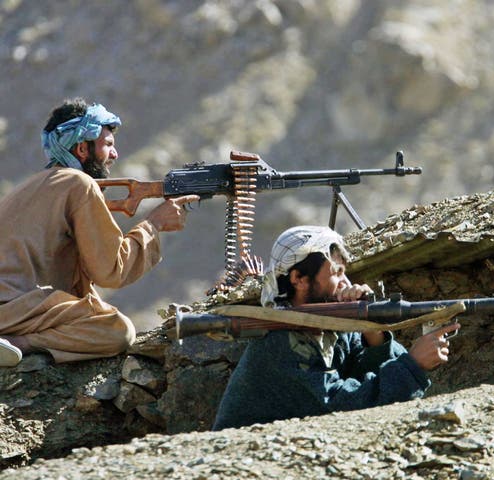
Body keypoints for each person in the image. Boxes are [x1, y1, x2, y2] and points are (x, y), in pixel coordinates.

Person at [0, 97, 199, 367]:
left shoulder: (32, 185)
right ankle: (16, 343)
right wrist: (154, 224)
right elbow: (110, 271)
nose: (115, 155)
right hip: (15, 309)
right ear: (83, 148)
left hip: (16, 306)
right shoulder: (79, 183)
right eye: (107, 145)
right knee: (117, 330)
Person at [212, 225, 460, 430]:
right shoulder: (279, 339)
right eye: (336, 273)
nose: (346, 283)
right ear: (298, 278)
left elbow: (363, 371)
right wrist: (412, 365)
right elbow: (346, 405)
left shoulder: (331, 325)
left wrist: (372, 330)